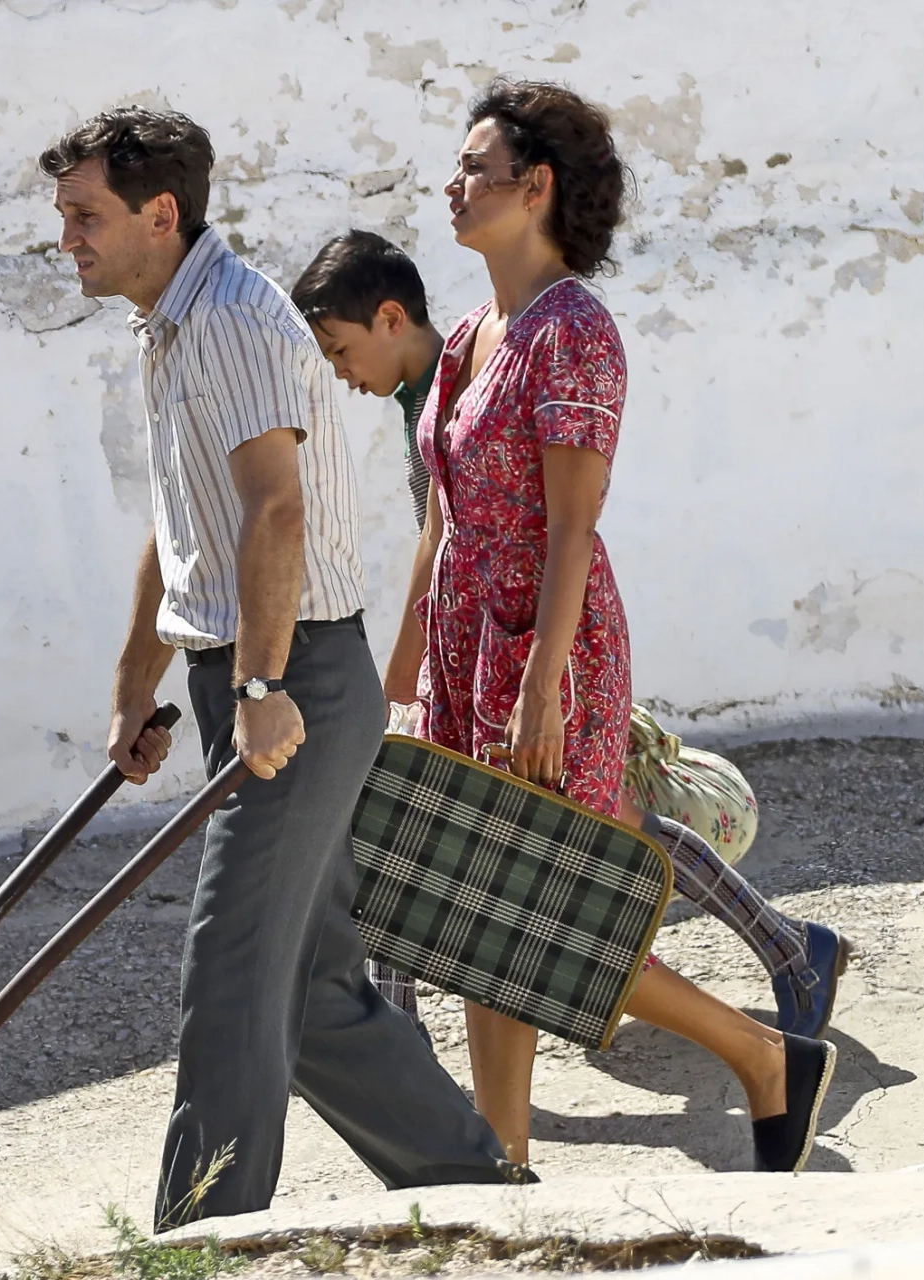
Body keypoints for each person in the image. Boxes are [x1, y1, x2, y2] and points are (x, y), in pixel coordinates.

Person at [38, 106, 519, 1230]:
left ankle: (202, 1242)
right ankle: (481, 1192)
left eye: (84, 216)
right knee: (308, 994)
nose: (68, 238)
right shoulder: (172, 322)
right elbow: (183, 520)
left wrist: (257, 690)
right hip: (255, 674)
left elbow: (276, 511)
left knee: (230, 984)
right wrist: (134, 680)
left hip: (296, 680)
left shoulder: (237, 323)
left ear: (161, 213)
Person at [390, 79, 836, 1174]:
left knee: (551, 906)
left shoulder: (573, 333)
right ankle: (503, 1162)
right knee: (485, 914)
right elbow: (440, 517)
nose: (450, 185)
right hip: (462, 647)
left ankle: (763, 1055)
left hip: (546, 643)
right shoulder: (463, 340)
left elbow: (573, 526)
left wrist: (543, 682)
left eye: (473, 168)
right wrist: (407, 679)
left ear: (534, 187)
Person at [289, 230, 852, 1041]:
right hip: (480, 655)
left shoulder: (501, 362)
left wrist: (461, 681)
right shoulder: (447, 374)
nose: (343, 376)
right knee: (456, 841)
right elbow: (444, 543)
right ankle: (789, 952)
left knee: (536, 853)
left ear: (387, 319)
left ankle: (778, 996)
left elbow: (544, 527)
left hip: (529, 656)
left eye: (341, 351)